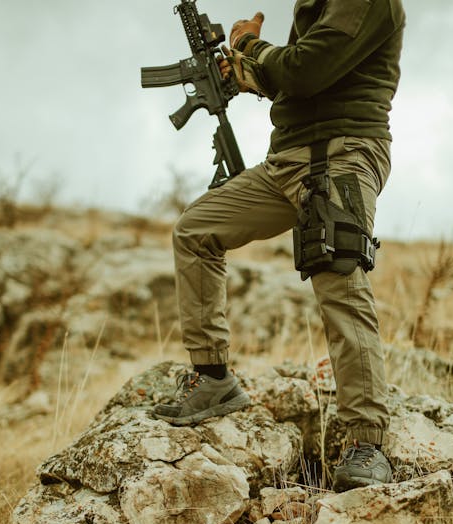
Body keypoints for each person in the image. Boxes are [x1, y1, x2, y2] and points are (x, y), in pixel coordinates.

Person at [153, 0, 406, 492]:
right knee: (195, 229)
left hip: (344, 151)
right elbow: (292, 79)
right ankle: (212, 378)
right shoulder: (321, 6)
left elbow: (305, 71)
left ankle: (368, 443)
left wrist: (249, 44)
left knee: (339, 280)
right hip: (286, 159)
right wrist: (247, 71)